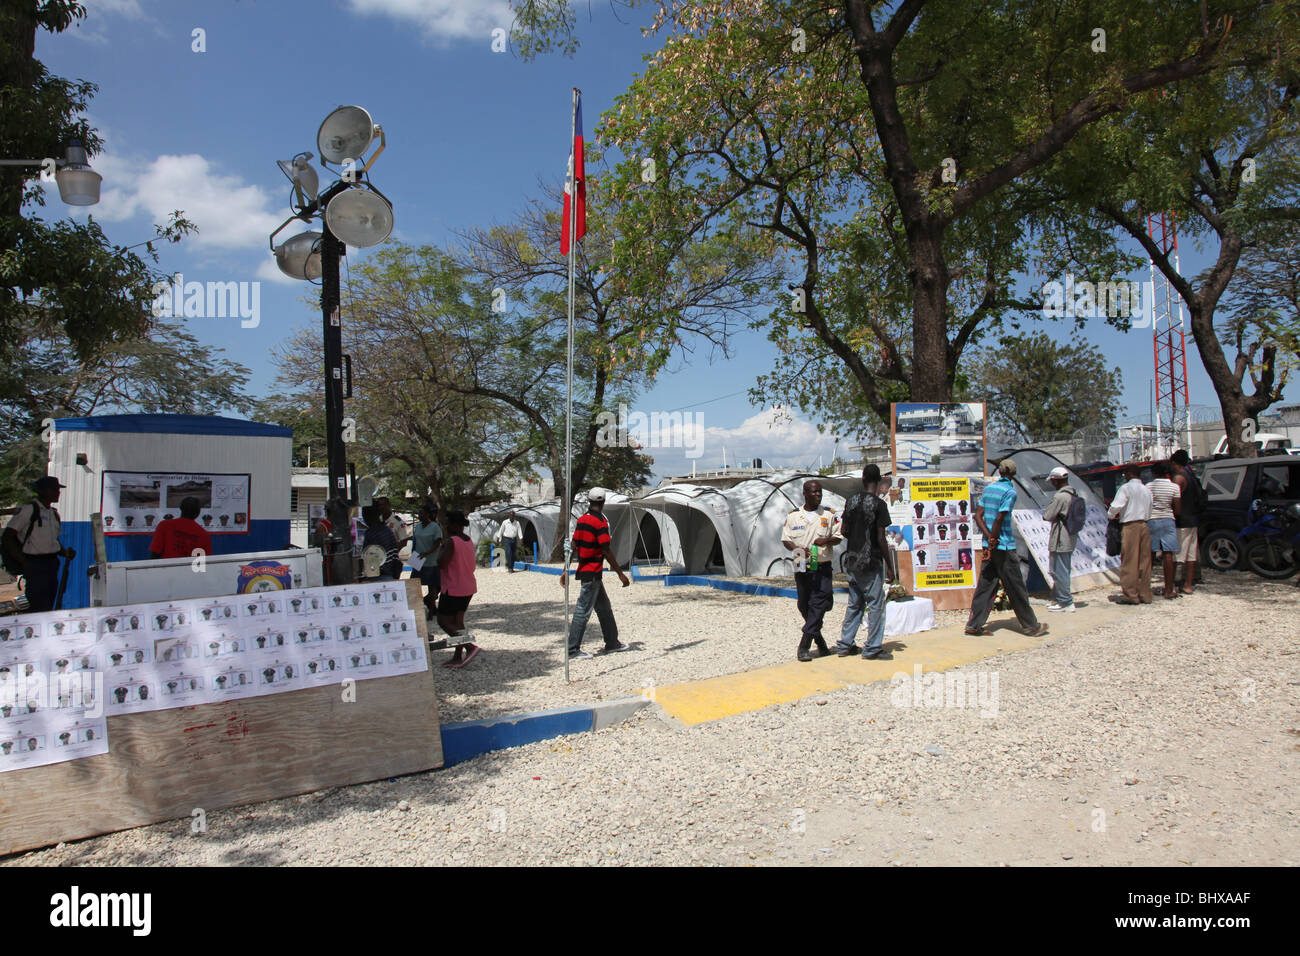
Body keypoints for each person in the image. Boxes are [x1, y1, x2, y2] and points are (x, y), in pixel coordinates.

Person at [966, 461, 1047, 637]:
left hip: (990, 545)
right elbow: (1000, 517)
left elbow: (978, 516)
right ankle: (1031, 626)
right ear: (1013, 473)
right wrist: (995, 538)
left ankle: (974, 624)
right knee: (1016, 586)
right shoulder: (1010, 492)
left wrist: (988, 538)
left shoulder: (988, 489)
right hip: (1003, 546)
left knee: (986, 586)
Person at [559, 488, 631, 659]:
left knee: (604, 608)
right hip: (592, 573)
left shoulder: (582, 520)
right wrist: (620, 573)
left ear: (589, 502)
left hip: (589, 572)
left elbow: (574, 545)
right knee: (582, 611)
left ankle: (612, 643)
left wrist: (565, 569)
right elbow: (606, 550)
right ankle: (572, 649)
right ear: (603, 502)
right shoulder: (600, 523)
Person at [836, 465, 895, 661]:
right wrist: (890, 566)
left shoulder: (851, 501)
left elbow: (843, 530)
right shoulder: (879, 505)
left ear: (862, 479)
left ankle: (845, 644)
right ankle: (872, 647)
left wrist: (856, 536)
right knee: (876, 604)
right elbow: (881, 538)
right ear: (878, 481)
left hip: (852, 560)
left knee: (855, 604)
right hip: (871, 561)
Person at [781, 479, 842, 662]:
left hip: (821, 562)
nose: (818, 495)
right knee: (804, 604)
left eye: (819, 492)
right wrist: (796, 548)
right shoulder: (793, 516)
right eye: (814, 492)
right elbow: (786, 539)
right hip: (801, 559)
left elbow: (838, 536)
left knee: (820, 603)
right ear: (805, 494)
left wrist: (826, 541)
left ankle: (804, 644)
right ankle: (820, 641)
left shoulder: (829, 515)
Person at [2, 476, 74, 612]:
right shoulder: (29, 510)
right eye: (53, 489)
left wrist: (64, 552)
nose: (57, 493)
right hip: (35, 564)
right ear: (42, 491)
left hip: (51, 564)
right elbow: (7, 537)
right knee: (37, 606)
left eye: (57, 489)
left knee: (49, 604)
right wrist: (24, 562)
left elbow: (51, 541)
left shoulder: (53, 514)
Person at [435, 510, 480, 667]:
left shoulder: (451, 542)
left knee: (443, 621)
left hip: (453, 587)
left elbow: (442, 563)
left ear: (455, 525)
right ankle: (457, 656)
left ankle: (469, 646)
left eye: (448, 523)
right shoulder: (468, 540)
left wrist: (441, 550)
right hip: (467, 586)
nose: (446, 526)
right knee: (458, 622)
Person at [1108, 462, 1154, 604]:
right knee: (1144, 561)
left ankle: (1130, 595)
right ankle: (1145, 594)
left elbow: (1116, 507)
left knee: (1129, 560)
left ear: (1129, 474)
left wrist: (1110, 515)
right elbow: (1150, 508)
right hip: (1145, 525)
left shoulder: (1126, 488)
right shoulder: (1146, 489)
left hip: (1130, 525)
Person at [1041, 466, 1080, 613]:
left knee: (1059, 570)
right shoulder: (1073, 493)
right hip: (1070, 537)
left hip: (1060, 538)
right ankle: (1059, 599)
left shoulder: (1060, 497)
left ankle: (1066, 602)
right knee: (1062, 569)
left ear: (1056, 481)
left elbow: (1047, 515)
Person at [1146, 461, 1182, 599]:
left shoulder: (1149, 486)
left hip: (1152, 519)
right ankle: (1169, 589)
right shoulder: (1174, 487)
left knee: (1150, 554)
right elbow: (1178, 509)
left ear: (1153, 473)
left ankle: (1145, 588)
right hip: (1168, 519)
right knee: (1168, 554)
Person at [1170, 450, 1202, 594]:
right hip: (1193, 518)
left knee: (1177, 555)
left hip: (1182, 520)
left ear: (1174, 463)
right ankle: (1188, 585)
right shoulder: (1192, 477)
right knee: (1191, 555)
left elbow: (1174, 499)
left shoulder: (1178, 478)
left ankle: (1173, 585)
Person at [411, 503, 443, 621]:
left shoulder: (434, 527)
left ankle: (431, 608)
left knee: (432, 586)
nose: (420, 515)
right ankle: (417, 607)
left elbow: (437, 542)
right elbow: (415, 540)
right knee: (414, 583)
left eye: (423, 513)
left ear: (428, 514)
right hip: (417, 558)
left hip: (430, 559)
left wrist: (428, 552)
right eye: (419, 513)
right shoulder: (418, 526)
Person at [360, 504, 402, 580]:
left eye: (364, 516)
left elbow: (371, 563)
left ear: (368, 517)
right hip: (390, 574)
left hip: (378, 576)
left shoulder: (371, 533)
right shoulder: (387, 530)